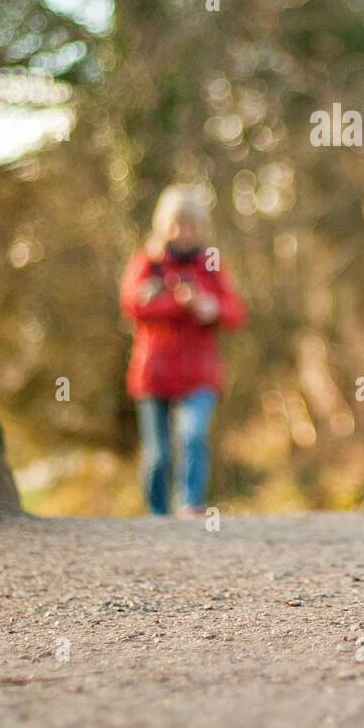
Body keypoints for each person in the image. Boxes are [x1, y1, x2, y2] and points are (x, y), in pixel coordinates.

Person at [120, 185, 246, 517]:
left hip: (199, 372)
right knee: (158, 452)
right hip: (154, 372)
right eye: (176, 225)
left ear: (200, 227)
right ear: (164, 226)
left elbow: (235, 312)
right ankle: (157, 513)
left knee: (192, 437)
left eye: (189, 225)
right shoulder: (148, 262)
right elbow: (132, 306)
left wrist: (211, 308)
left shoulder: (211, 263)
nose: (182, 233)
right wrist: (180, 303)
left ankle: (190, 503)